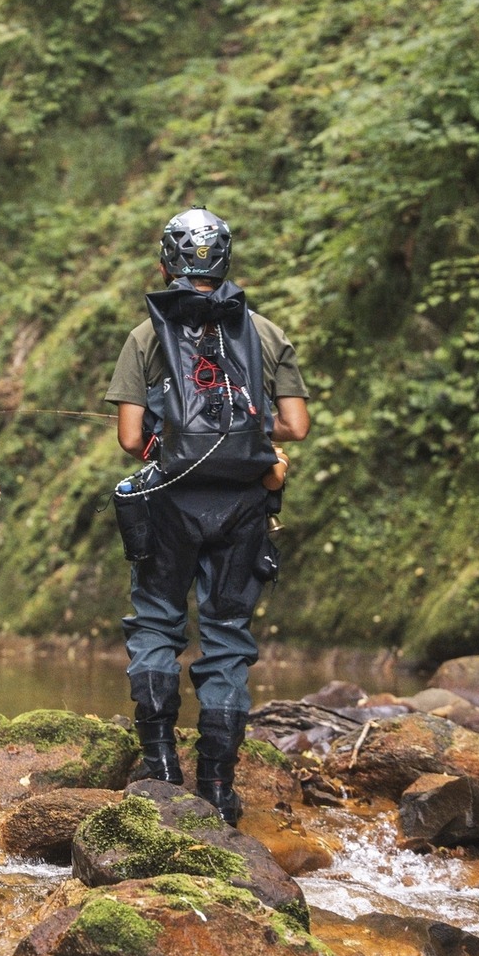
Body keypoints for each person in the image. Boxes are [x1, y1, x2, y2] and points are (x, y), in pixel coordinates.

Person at [102, 207, 311, 822]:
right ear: (226, 261)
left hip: (169, 503)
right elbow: (295, 425)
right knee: (226, 638)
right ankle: (218, 788)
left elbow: (128, 437)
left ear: (166, 261)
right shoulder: (267, 333)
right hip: (245, 505)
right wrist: (243, 438)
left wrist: (179, 446)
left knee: (158, 624)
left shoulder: (147, 335)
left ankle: (162, 771)